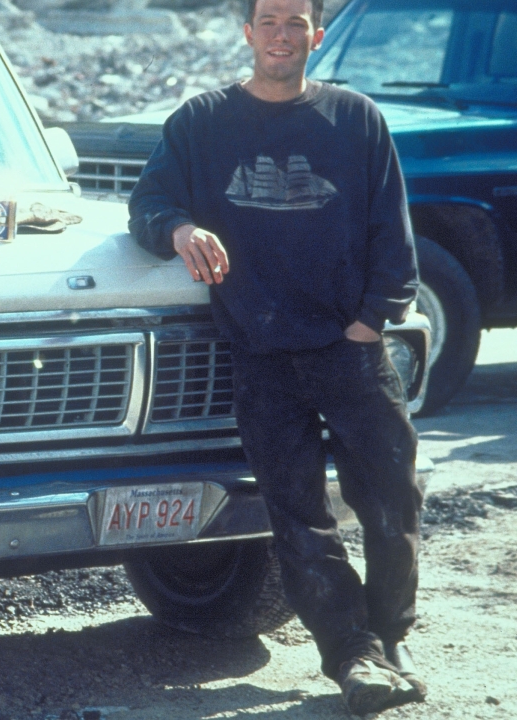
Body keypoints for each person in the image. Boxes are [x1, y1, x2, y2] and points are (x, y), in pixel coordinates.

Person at [127, 0, 425, 714]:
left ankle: (392, 634)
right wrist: (180, 230)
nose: (282, 35)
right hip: (261, 357)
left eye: (296, 23)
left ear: (316, 35)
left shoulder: (355, 118)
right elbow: (148, 204)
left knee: (393, 500)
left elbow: (393, 232)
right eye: (269, 21)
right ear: (247, 32)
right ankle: (353, 656)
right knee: (297, 518)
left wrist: (370, 323)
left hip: (350, 350)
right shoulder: (201, 122)